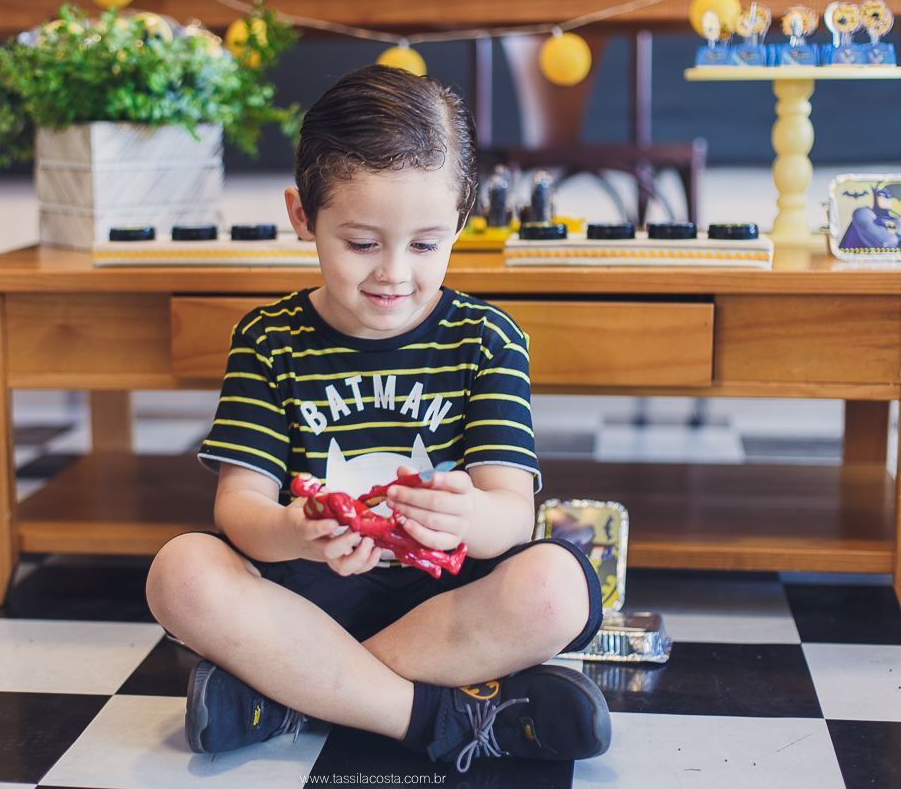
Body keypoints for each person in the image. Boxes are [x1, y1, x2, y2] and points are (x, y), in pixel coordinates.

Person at [146, 64, 610, 773]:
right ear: (303, 217)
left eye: (425, 244)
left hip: (447, 605)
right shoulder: (269, 340)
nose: (395, 273)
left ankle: (287, 696)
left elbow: (513, 516)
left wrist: (470, 517)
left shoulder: (486, 339)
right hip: (307, 595)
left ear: (461, 220)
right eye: (362, 244)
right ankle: (449, 714)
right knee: (179, 573)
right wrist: (293, 532)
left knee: (560, 587)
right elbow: (239, 509)